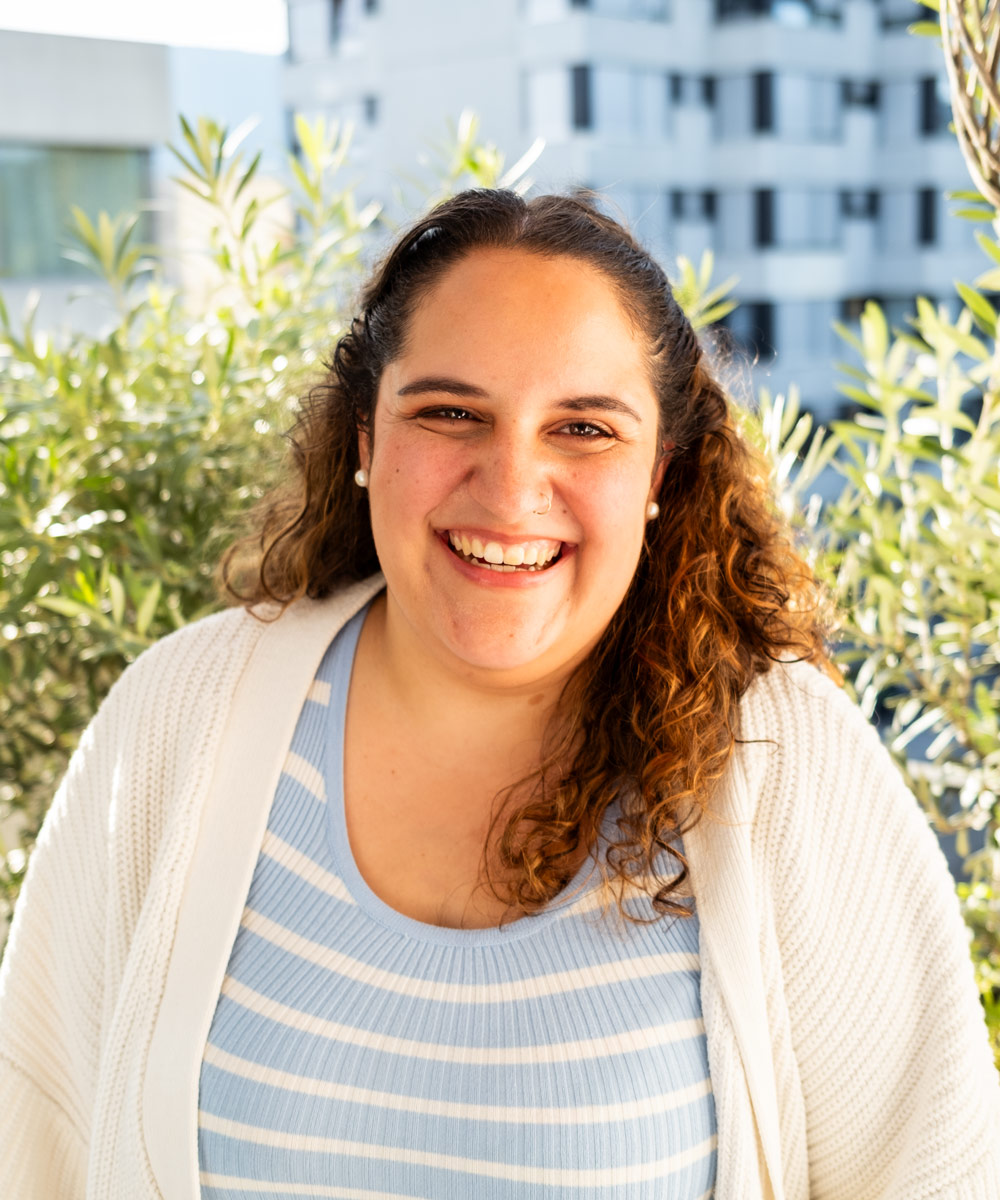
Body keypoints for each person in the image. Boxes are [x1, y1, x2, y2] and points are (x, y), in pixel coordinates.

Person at [0, 188, 997, 1200]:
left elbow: (936, 1174)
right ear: (363, 439)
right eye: (449, 412)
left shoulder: (781, 760)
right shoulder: (183, 715)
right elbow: (31, 1139)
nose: (511, 484)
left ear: (660, 471)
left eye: (582, 428)